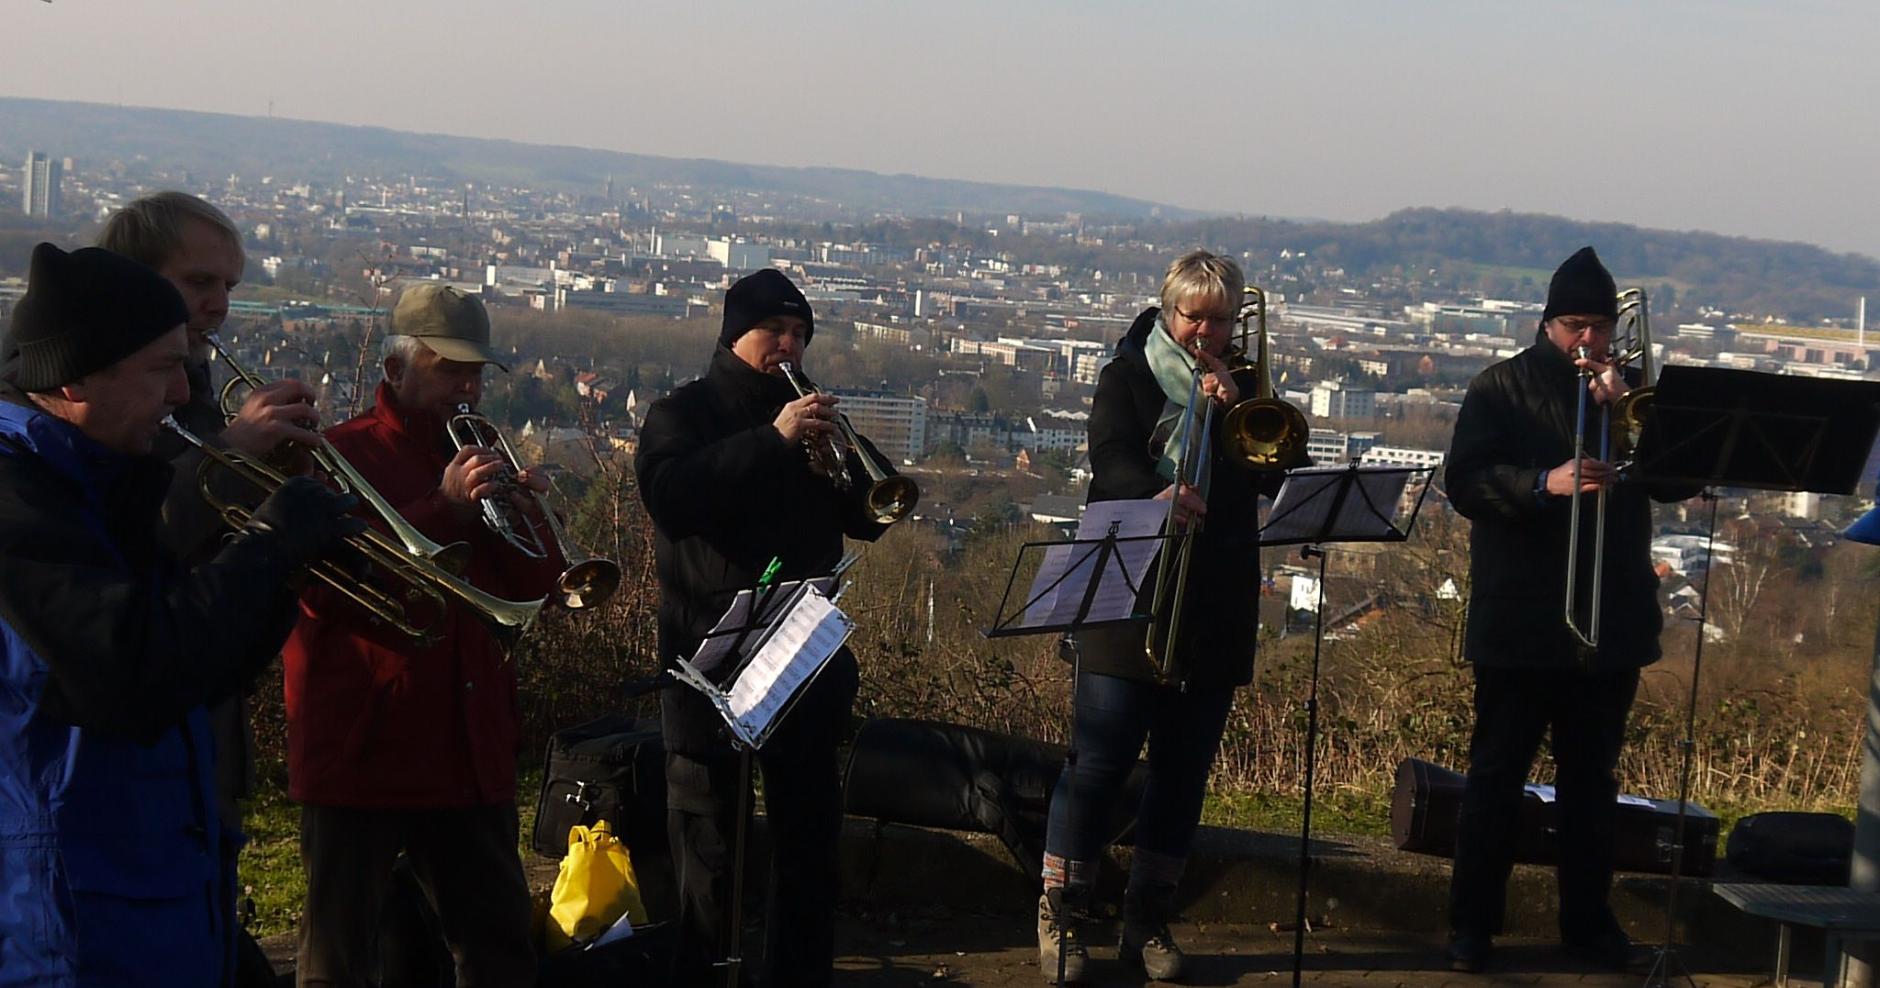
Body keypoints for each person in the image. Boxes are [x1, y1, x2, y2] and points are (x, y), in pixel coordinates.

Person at [0, 243, 357, 985]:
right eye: (163, 368)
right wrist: (266, 544)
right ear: (72, 379)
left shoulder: (103, 483)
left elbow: (200, 667)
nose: (179, 395)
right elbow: (134, 670)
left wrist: (289, 570)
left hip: (150, 892)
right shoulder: (20, 501)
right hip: (67, 924)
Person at [282, 283, 566, 987]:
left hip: (468, 749)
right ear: (395, 370)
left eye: (476, 373)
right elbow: (323, 586)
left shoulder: (483, 456)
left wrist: (525, 516)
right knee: (339, 961)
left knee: (499, 953)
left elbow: (534, 592)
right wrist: (440, 508)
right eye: (450, 370)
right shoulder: (337, 455)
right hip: (363, 748)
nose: (468, 389)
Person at [635, 268, 901, 986]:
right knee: (708, 847)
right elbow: (672, 499)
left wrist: (843, 473)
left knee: (809, 844)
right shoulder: (680, 414)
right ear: (734, 335)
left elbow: (865, 524)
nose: (789, 347)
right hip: (709, 664)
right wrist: (774, 441)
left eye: (800, 335)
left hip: (801, 664)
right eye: (774, 333)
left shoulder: (811, 417)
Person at [1036, 249, 1282, 983]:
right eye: (1193, 316)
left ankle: (1148, 918)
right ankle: (1062, 915)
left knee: (1183, 771)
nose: (1205, 331)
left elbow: (1275, 470)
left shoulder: (1247, 387)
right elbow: (1108, 458)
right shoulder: (1129, 375)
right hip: (1130, 588)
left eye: (1220, 319)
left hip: (1213, 598)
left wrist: (1235, 407)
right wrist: (1157, 492)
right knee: (1099, 762)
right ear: (1169, 311)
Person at [96, 193, 323, 983]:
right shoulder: (100, 405)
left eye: (229, 285)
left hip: (204, 733)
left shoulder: (191, 392)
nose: (220, 306)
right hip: (131, 749)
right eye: (199, 283)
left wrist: (277, 500)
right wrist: (232, 452)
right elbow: (129, 530)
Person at [1443, 246, 1690, 972]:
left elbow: (1675, 483)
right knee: (1494, 776)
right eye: (1574, 325)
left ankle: (1588, 925)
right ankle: (1470, 927)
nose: (1589, 340)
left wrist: (1632, 417)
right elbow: (1465, 483)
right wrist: (1542, 483)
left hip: (1609, 622)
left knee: (1592, 784)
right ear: (1547, 323)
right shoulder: (1500, 387)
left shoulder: (1633, 392)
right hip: (1519, 619)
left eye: (1599, 326)